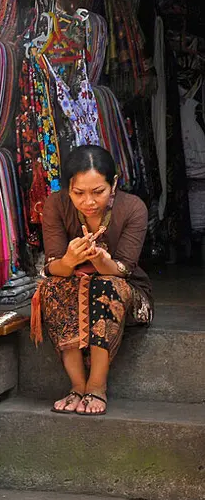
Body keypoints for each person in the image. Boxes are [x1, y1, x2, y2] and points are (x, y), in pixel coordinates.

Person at [32, 144, 152, 416]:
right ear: (67, 189)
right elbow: (53, 268)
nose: (88, 201)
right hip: (73, 287)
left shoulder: (133, 208)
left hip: (127, 292)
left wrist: (100, 259)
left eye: (98, 191)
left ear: (114, 184)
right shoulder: (55, 205)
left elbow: (124, 268)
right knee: (53, 288)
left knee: (104, 284)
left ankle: (97, 385)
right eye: (79, 193)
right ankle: (77, 385)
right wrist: (69, 261)